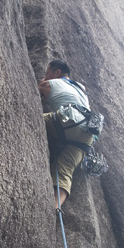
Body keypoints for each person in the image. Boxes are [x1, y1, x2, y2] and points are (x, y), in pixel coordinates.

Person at [39, 60, 94, 208]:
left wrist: (44, 80)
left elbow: (37, 92)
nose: (46, 76)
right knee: (65, 170)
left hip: (69, 122)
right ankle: (55, 208)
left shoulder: (50, 84)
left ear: (57, 73)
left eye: (48, 73)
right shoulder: (81, 88)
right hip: (87, 134)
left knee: (34, 118)